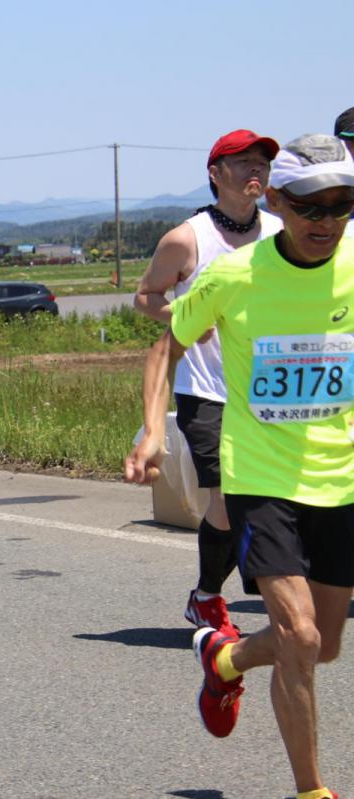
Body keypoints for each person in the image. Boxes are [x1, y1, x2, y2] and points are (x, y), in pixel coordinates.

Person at [126, 135, 354, 799]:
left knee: (324, 644)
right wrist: (149, 430)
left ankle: (224, 657)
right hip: (260, 476)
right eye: (313, 206)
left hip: (339, 477)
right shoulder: (233, 275)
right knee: (300, 634)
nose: (327, 221)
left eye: (343, 206)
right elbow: (168, 345)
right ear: (278, 201)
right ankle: (312, 790)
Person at [133, 129, 281, 636]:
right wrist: (187, 316)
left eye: (262, 161)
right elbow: (145, 297)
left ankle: (214, 592)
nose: (255, 170)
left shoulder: (282, 232)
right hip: (207, 390)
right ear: (215, 174)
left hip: (268, 392)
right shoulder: (187, 238)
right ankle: (214, 594)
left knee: (258, 498)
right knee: (226, 496)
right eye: (243, 162)